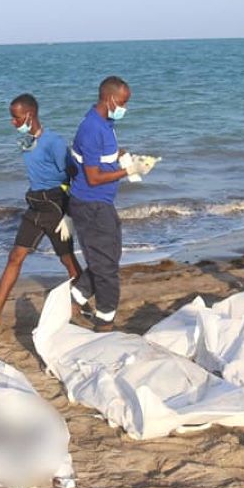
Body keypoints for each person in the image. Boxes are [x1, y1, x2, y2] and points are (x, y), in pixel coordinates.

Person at [0, 94, 82, 329]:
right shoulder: (27, 141)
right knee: (15, 256)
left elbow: (73, 175)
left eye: (16, 117)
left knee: (67, 261)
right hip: (34, 205)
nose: (13, 121)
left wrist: (69, 213)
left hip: (55, 205)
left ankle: (84, 299)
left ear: (29, 114)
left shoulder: (54, 142)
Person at [66, 76, 154, 331]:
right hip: (91, 205)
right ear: (110, 99)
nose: (125, 107)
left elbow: (99, 156)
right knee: (107, 269)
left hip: (101, 203)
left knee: (109, 256)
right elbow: (93, 178)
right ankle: (105, 320)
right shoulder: (92, 128)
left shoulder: (105, 123)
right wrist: (128, 171)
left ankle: (76, 297)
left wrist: (122, 156)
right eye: (123, 102)